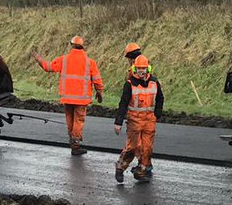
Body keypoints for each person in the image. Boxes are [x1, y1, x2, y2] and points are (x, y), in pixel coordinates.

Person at [31, 36, 104, 155]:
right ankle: (75, 145)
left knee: (70, 119)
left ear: (72, 45)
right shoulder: (90, 62)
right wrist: (99, 92)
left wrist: (37, 57)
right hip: (81, 99)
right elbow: (97, 80)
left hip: (67, 97)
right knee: (78, 120)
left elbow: (47, 67)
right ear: (82, 47)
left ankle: (72, 140)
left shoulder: (64, 59)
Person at [113, 55, 163, 183]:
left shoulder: (154, 82)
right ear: (135, 69)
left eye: (144, 68)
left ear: (148, 69)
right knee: (133, 147)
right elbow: (123, 103)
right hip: (134, 122)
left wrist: (157, 113)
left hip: (149, 121)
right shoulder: (129, 84)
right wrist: (118, 122)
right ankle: (120, 167)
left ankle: (142, 171)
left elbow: (160, 98)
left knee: (147, 149)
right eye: (139, 68)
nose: (142, 71)